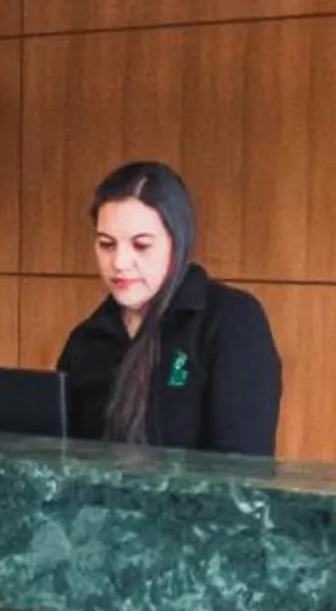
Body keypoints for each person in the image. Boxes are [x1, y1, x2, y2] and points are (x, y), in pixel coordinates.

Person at [56, 161, 282, 455]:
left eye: (141, 245)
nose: (120, 262)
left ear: (176, 243)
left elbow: (242, 468)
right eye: (106, 244)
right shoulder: (87, 340)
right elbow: (60, 458)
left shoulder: (231, 321)